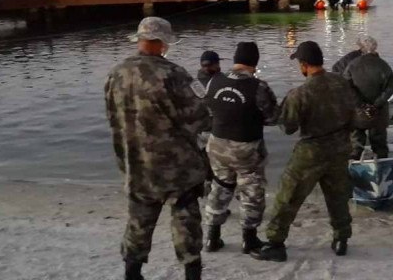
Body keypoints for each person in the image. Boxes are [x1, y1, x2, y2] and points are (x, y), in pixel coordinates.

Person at [105, 17, 209, 280]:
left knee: (139, 223)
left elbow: (113, 118)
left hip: (136, 163)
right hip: (177, 167)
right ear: (163, 42)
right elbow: (199, 117)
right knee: (186, 223)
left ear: (140, 39)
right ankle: (191, 273)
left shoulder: (116, 73)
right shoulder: (173, 74)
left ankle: (132, 272)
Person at [252, 41, 356, 262]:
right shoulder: (343, 83)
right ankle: (341, 240)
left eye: (299, 63)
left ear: (305, 64)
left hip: (311, 151)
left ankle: (276, 243)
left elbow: (288, 127)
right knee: (338, 196)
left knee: (288, 196)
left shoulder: (299, 93)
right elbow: (354, 114)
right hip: (340, 148)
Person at [203, 42, 279, 255]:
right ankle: (249, 240)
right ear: (255, 62)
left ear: (235, 59)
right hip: (246, 148)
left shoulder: (213, 81)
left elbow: (208, 109)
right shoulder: (259, 87)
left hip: (216, 145)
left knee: (220, 186)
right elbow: (273, 117)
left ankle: (212, 237)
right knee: (251, 191)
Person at [342, 35, 393, 159]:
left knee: (356, 143)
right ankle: (382, 164)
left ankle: (355, 163)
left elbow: (346, 87)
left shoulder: (352, 65)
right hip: (379, 113)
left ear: (361, 48)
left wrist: (361, 105)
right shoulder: (384, 66)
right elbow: (390, 88)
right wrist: (376, 105)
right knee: (380, 145)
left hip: (358, 113)